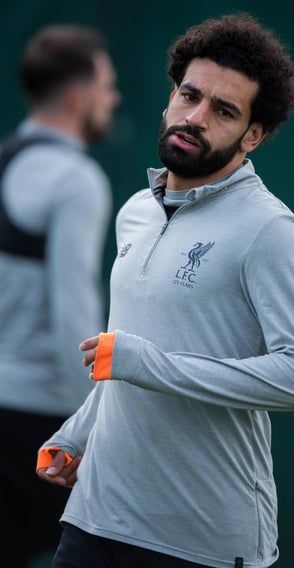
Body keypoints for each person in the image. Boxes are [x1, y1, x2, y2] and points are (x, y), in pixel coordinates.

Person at [37, 13, 294, 568]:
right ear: (170, 96)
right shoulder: (135, 213)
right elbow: (126, 359)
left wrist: (148, 363)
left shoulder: (271, 231)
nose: (195, 118)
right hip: (94, 518)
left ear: (254, 135)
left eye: (223, 111)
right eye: (189, 96)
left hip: (201, 543)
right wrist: (78, 434)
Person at [0, 25, 120, 567]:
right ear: (78, 99)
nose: (114, 99)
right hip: (39, 421)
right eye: (106, 86)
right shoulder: (76, 179)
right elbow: (77, 314)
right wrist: (93, 427)